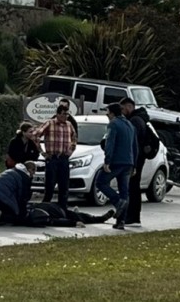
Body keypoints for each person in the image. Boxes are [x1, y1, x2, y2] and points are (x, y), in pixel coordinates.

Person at [96, 103, 138, 230]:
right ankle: (121, 221)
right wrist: (134, 164)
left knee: (100, 182)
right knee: (124, 191)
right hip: (128, 163)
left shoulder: (113, 124)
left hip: (116, 161)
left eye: (108, 112)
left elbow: (110, 143)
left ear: (113, 113)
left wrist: (107, 161)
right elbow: (135, 146)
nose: (107, 115)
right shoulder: (130, 125)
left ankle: (117, 202)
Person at [34, 105, 77, 210]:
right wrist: (42, 152)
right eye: (63, 114)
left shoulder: (69, 124)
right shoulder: (50, 123)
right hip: (52, 158)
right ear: (57, 114)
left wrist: (71, 151)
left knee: (64, 185)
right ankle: (45, 207)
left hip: (64, 158)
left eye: (67, 114)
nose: (65, 116)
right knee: (50, 184)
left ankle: (63, 208)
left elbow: (74, 139)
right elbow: (36, 135)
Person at [120, 97, 149, 228]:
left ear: (129, 107)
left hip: (135, 158)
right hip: (138, 157)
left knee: (132, 187)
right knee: (134, 186)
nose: (122, 111)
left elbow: (133, 141)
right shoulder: (140, 119)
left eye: (123, 108)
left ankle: (132, 216)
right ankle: (133, 216)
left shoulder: (135, 121)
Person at [0, 161, 37, 227]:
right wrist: (22, 215)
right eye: (33, 171)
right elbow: (23, 198)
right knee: (12, 214)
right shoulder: (24, 177)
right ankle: (2, 217)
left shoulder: (11, 170)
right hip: (2, 199)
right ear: (29, 170)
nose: (34, 173)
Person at [25, 202, 115, 228]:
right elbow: (57, 222)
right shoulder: (42, 218)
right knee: (85, 217)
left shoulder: (30, 209)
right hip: (64, 214)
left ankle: (76, 213)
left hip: (60, 208)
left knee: (80, 215)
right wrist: (74, 223)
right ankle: (101, 219)